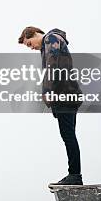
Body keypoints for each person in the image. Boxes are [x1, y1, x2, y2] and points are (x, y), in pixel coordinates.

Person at [18, 26, 83, 186]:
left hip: (65, 96)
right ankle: (74, 174)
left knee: (68, 136)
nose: (31, 47)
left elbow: (52, 67)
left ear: (33, 33)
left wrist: (47, 92)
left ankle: (74, 175)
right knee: (68, 136)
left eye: (29, 43)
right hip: (67, 95)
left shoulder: (51, 39)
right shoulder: (52, 41)